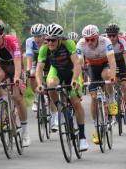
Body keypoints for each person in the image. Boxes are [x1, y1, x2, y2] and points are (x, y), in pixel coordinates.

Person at [36, 23, 88, 151]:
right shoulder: (44, 48)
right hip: (57, 70)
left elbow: (76, 63)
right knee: (51, 85)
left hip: (71, 72)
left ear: (59, 39)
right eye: (47, 39)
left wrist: (75, 80)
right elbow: (39, 69)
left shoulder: (68, 43)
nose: (50, 42)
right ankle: (60, 108)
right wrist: (39, 84)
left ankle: (82, 137)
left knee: (75, 102)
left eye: (53, 40)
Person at [0, 20, 31, 147]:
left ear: (3, 36)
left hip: (15, 66)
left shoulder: (12, 41)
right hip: (2, 67)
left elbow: (18, 61)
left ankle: (25, 133)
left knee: (17, 98)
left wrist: (16, 78)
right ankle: (1, 104)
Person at [77, 24, 117, 144]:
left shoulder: (106, 41)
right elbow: (79, 63)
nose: (89, 42)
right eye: (87, 39)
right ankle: (96, 129)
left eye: (92, 39)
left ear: (97, 37)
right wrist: (79, 80)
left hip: (105, 64)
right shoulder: (80, 43)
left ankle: (111, 100)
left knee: (106, 76)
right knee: (94, 97)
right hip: (92, 67)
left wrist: (113, 75)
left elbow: (112, 60)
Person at [105, 24, 126, 123]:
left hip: (121, 62)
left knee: (125, 86)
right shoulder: (105, 41)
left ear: (117, 35)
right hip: (110, 62)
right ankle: (110, 105)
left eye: (114, 36)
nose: (112, 38)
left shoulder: (122, 40)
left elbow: (125, 56)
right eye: (109, 36)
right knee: (108, 83)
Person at [25, 23, 46, 112]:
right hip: (36, 60)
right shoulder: (29, 41)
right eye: (35, 36)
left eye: (39, 36)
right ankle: (37, 98)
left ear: (44, 36)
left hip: (47, 60)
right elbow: (29, 56)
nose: (37, 39)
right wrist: (28, 70)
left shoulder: (48, 41)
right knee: (33, 74)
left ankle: (47, 93)